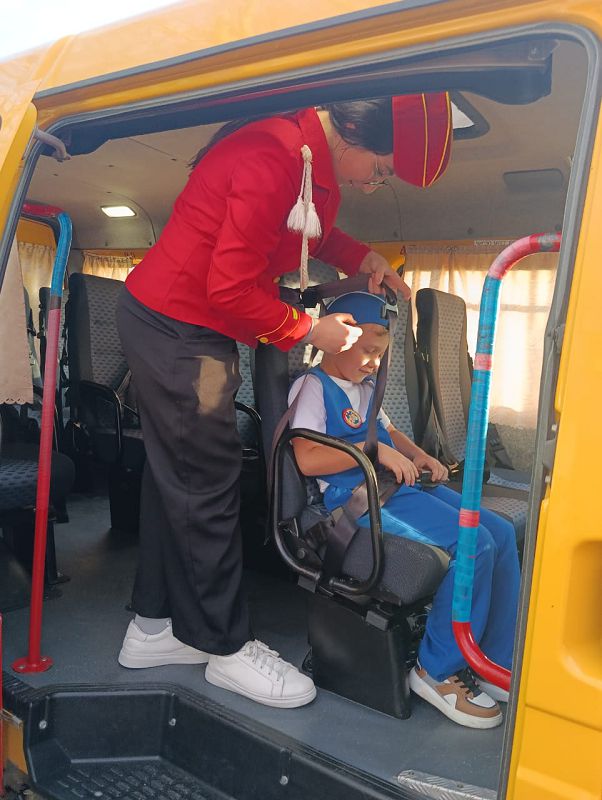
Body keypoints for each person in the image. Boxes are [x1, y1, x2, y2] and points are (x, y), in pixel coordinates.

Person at [116, 93, 453, 709]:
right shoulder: (271, 157)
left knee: (178, 480)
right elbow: (228, 287)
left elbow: (308, 232)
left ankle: (152, 628)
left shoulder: (312, 165)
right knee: (209, 479)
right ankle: (223, 647)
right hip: (173, 321)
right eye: (379, 168)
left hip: (191, 322)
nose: (375, 183)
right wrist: (306, 330)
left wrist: (361, 258)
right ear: (351, 135)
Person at [289, 291, 520, 728]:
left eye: (381, 354)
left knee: (501, 533)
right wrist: (373, 452)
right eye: (367, 351)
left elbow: (390, 433)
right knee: (474, 545)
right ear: (337, 341)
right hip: (356, 500)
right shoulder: (312, 388)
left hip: (396, 487)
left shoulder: (367, 388)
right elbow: (306, 458)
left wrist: (419, 456)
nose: (374, 363)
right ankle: (436, 671)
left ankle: (491, 656)